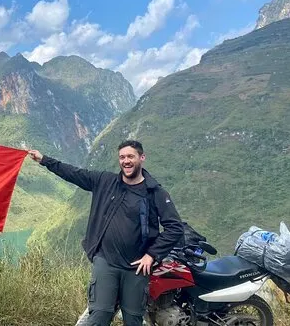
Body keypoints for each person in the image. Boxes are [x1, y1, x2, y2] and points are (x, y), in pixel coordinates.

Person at [28, 140, 183, 326]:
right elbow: (73, 173)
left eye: (131, 156)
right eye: (122, 157)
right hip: (106, 261)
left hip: (137, 267)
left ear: (142, 158)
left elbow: (174, 227)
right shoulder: (105, 181)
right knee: (99, 315)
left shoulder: (155, 192)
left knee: (133, 319)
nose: (126, 161)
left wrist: (151, 255)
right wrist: (44, 159)